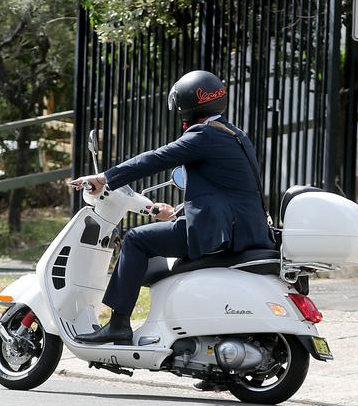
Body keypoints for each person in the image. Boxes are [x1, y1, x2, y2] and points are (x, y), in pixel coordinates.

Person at [71, 70, 273, 352]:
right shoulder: (235, 134)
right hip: (245, 230)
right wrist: (179, 212)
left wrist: (104, 178)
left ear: (187, 104)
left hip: (218, 231)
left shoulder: (202, 134)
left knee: (136, 240)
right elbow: (225, 190)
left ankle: (118, 325)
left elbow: (156, 158)